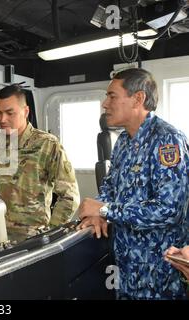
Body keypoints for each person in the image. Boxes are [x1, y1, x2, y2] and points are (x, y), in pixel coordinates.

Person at [78, 68, 189, 299]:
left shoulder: (167, 140)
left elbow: (169, 211)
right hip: (126, 266)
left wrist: (106, 210)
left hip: (159, 271)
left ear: (138, 99)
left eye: (112, 96)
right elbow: (110, 186)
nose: (105, 104)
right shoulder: (123, 143)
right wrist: (98, 211)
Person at [0, 84, 80, 243]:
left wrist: (51, 234)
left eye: (9, 113)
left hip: (33, 239)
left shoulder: (47, 144)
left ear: (25, 111)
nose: (2, 119)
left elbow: (69, 196)